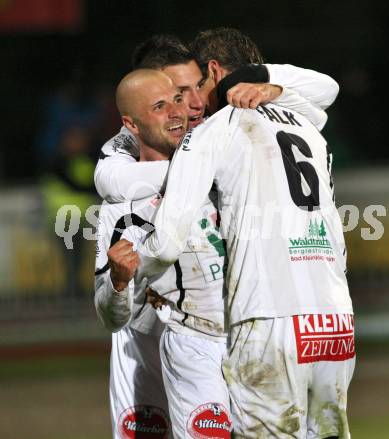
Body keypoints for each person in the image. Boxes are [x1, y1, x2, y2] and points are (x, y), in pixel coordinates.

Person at [95, 33, 340, 439]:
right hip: (154, 338)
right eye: (168, 99)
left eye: (191, 91)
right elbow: (109, 307)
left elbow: (322, 99)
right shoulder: (124, 187)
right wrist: (121, 281)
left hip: (246, 332)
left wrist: (273, 86)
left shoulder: (228, 141)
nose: (188, 106)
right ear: (134, 118)